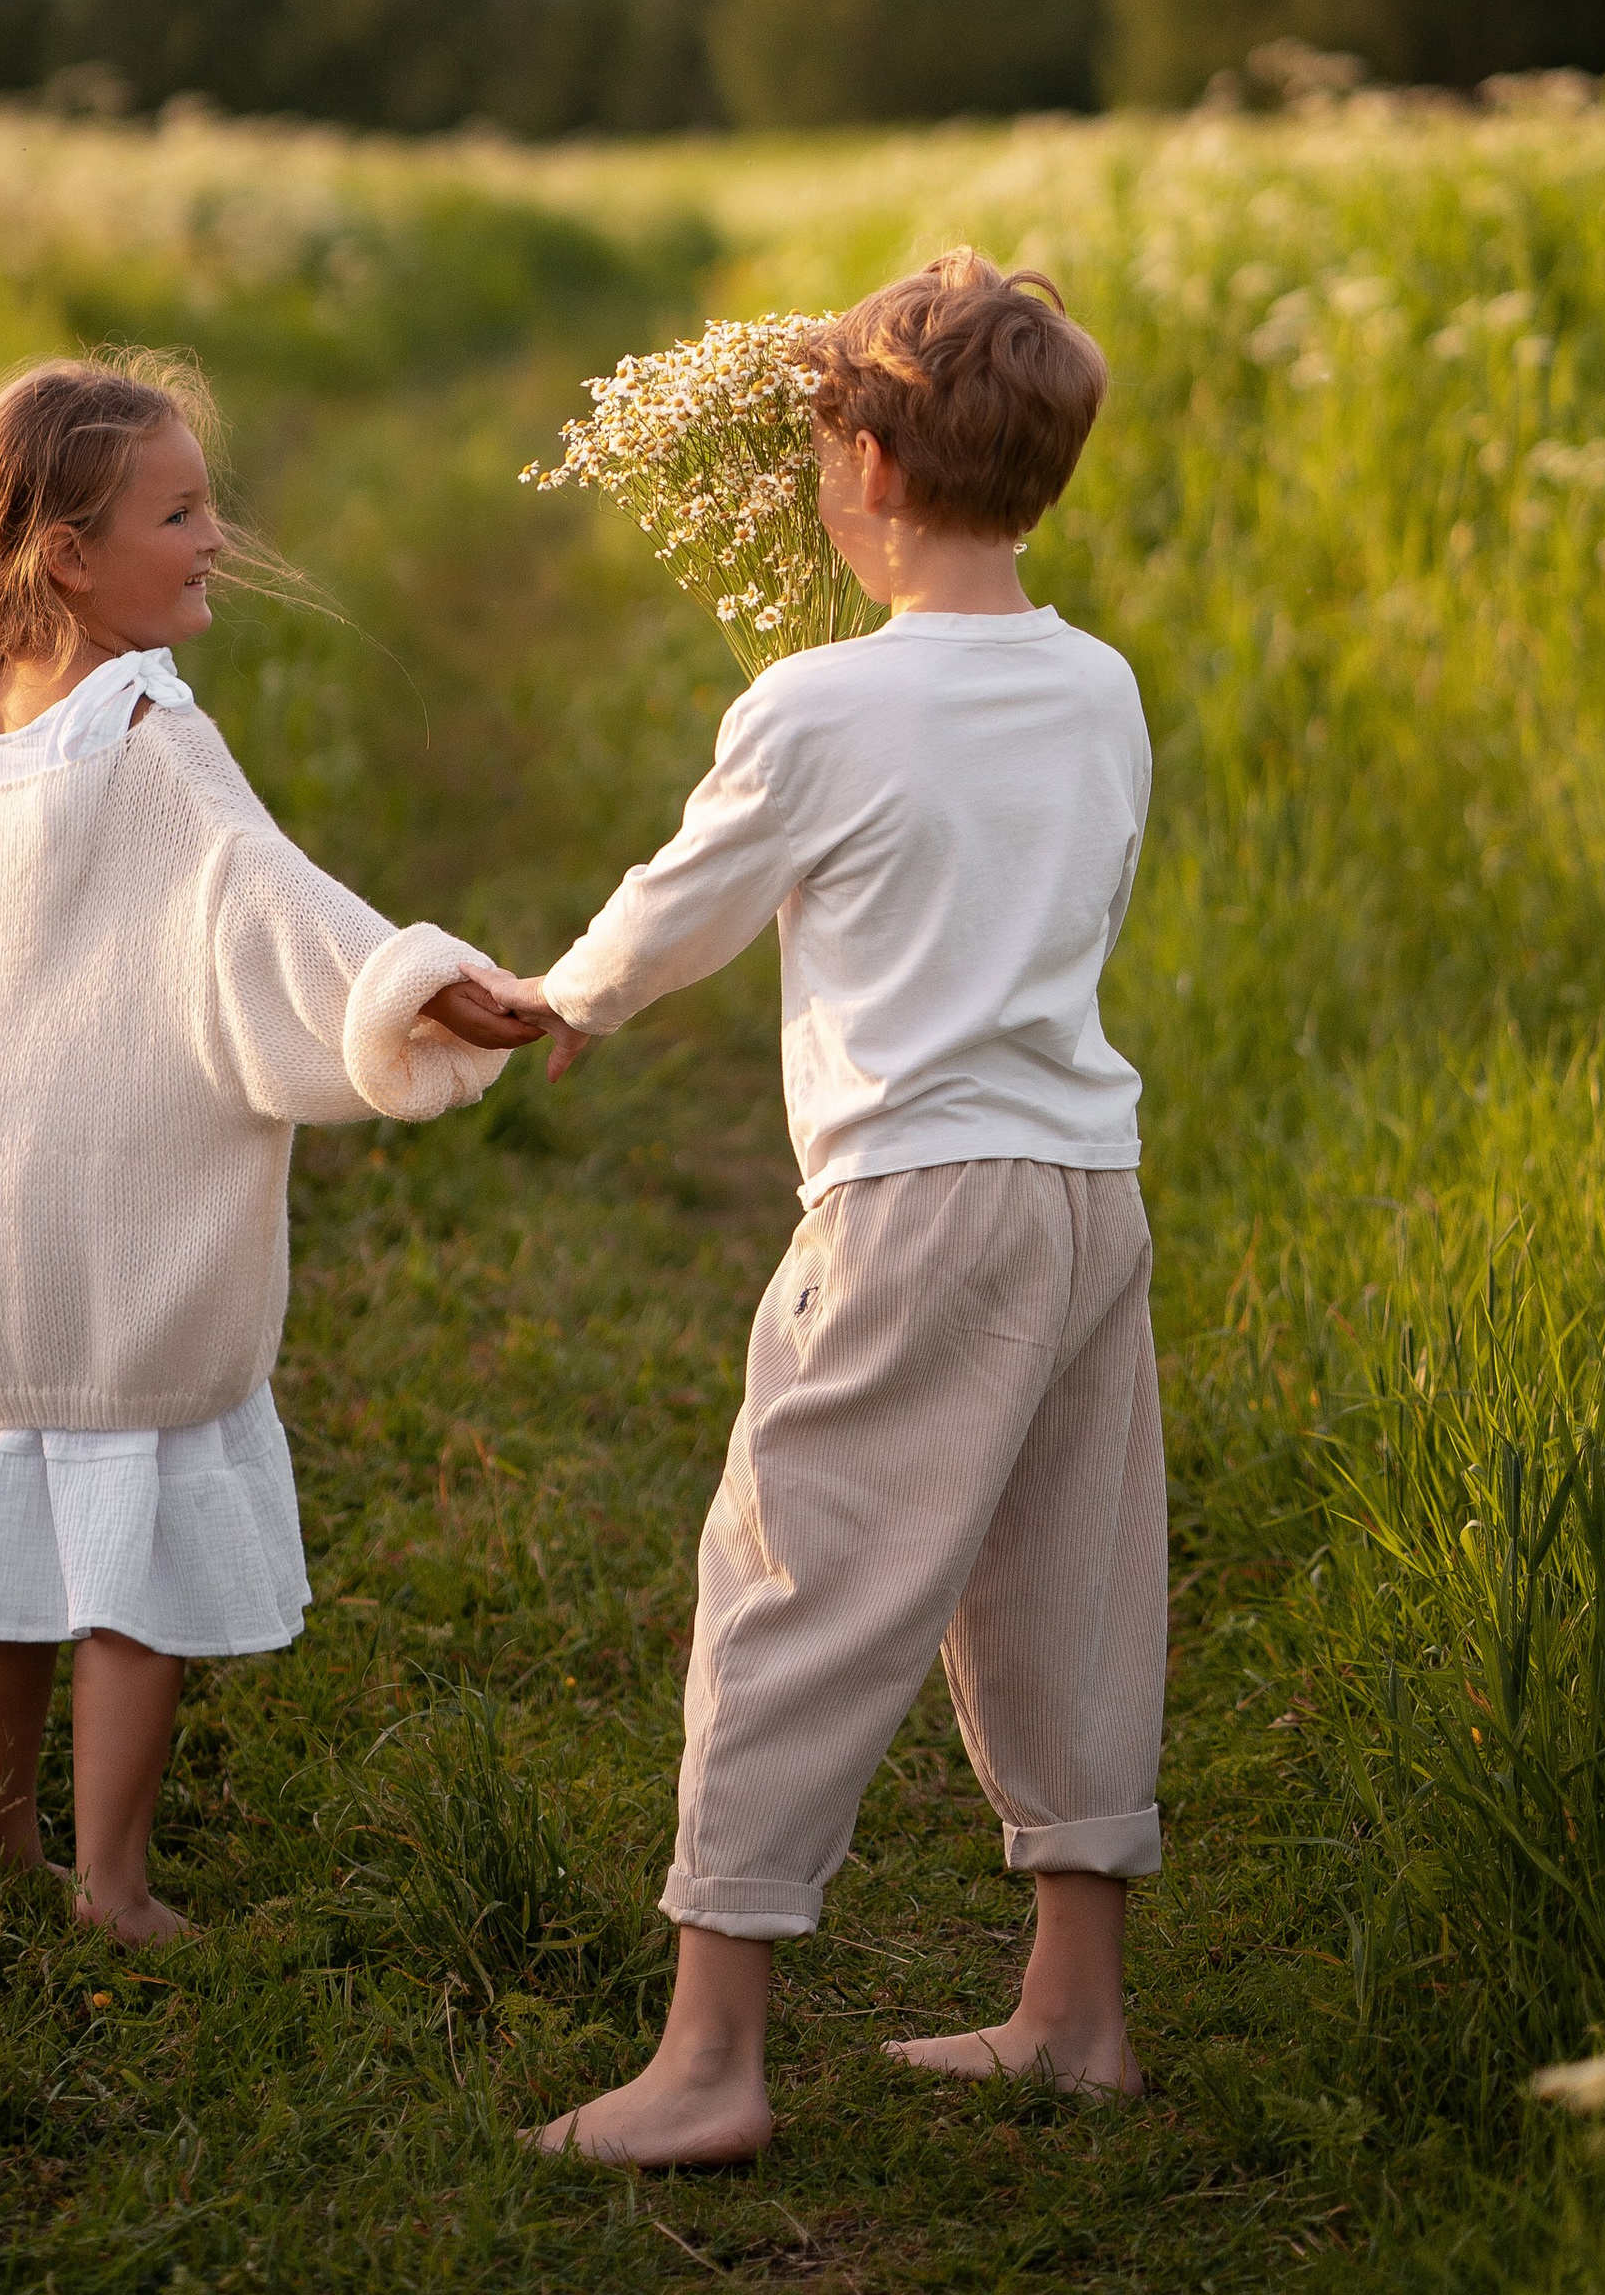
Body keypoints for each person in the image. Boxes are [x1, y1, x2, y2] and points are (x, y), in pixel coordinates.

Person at [468, 252, 1161, 2162]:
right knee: (1073, 1576)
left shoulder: (816, 705)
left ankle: (709, 2064)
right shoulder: (1100, 686)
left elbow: (691, 890)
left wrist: (568, 997)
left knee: (791, 1584)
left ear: (860, 459)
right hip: (1086, 1187)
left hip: (913, 1204)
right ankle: (1076, 2009)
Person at [0, 349, 544, 1946]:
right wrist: (426, 987)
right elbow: (274, 904)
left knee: (7, 1510)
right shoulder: (148, 730)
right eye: (180, 511)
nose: (216, 536)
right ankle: (114, 1886)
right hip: (113, 1217)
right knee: (135, 1547)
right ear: (70, 556)